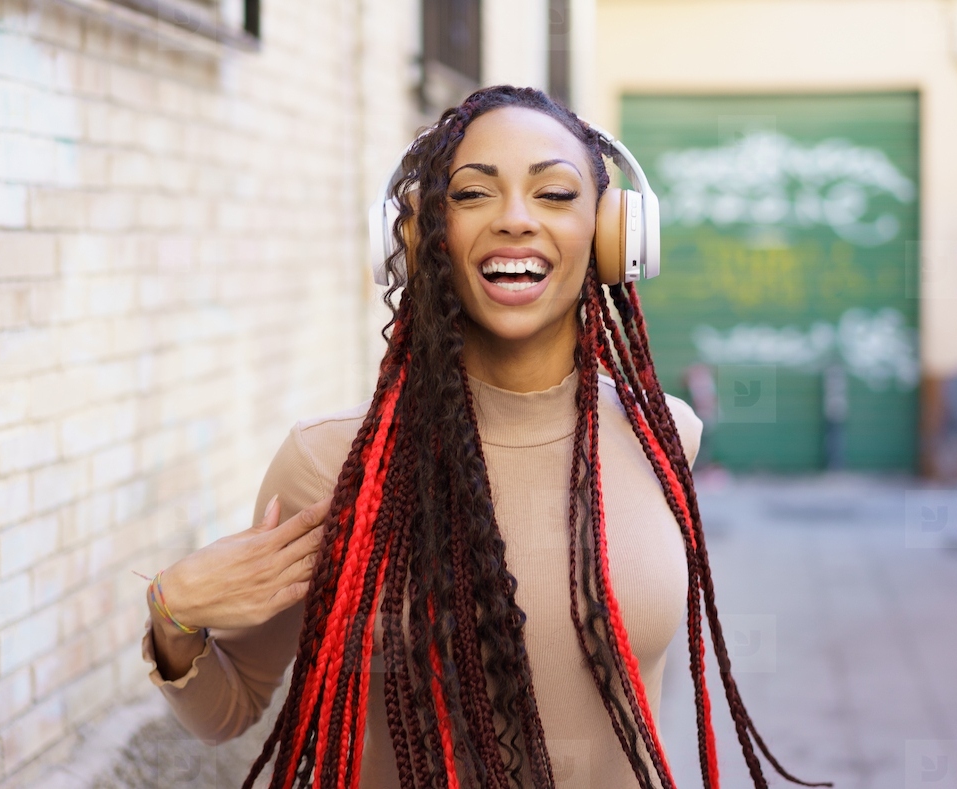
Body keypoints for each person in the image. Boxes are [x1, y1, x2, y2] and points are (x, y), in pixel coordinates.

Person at [141, 86, 829, 789]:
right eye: (472, 195)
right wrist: (174, 616)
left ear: (615, 233)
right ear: (416, 235)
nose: (515, 220)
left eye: (556, 194)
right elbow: (230, 709)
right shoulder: (332, 464)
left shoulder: (664, 435)